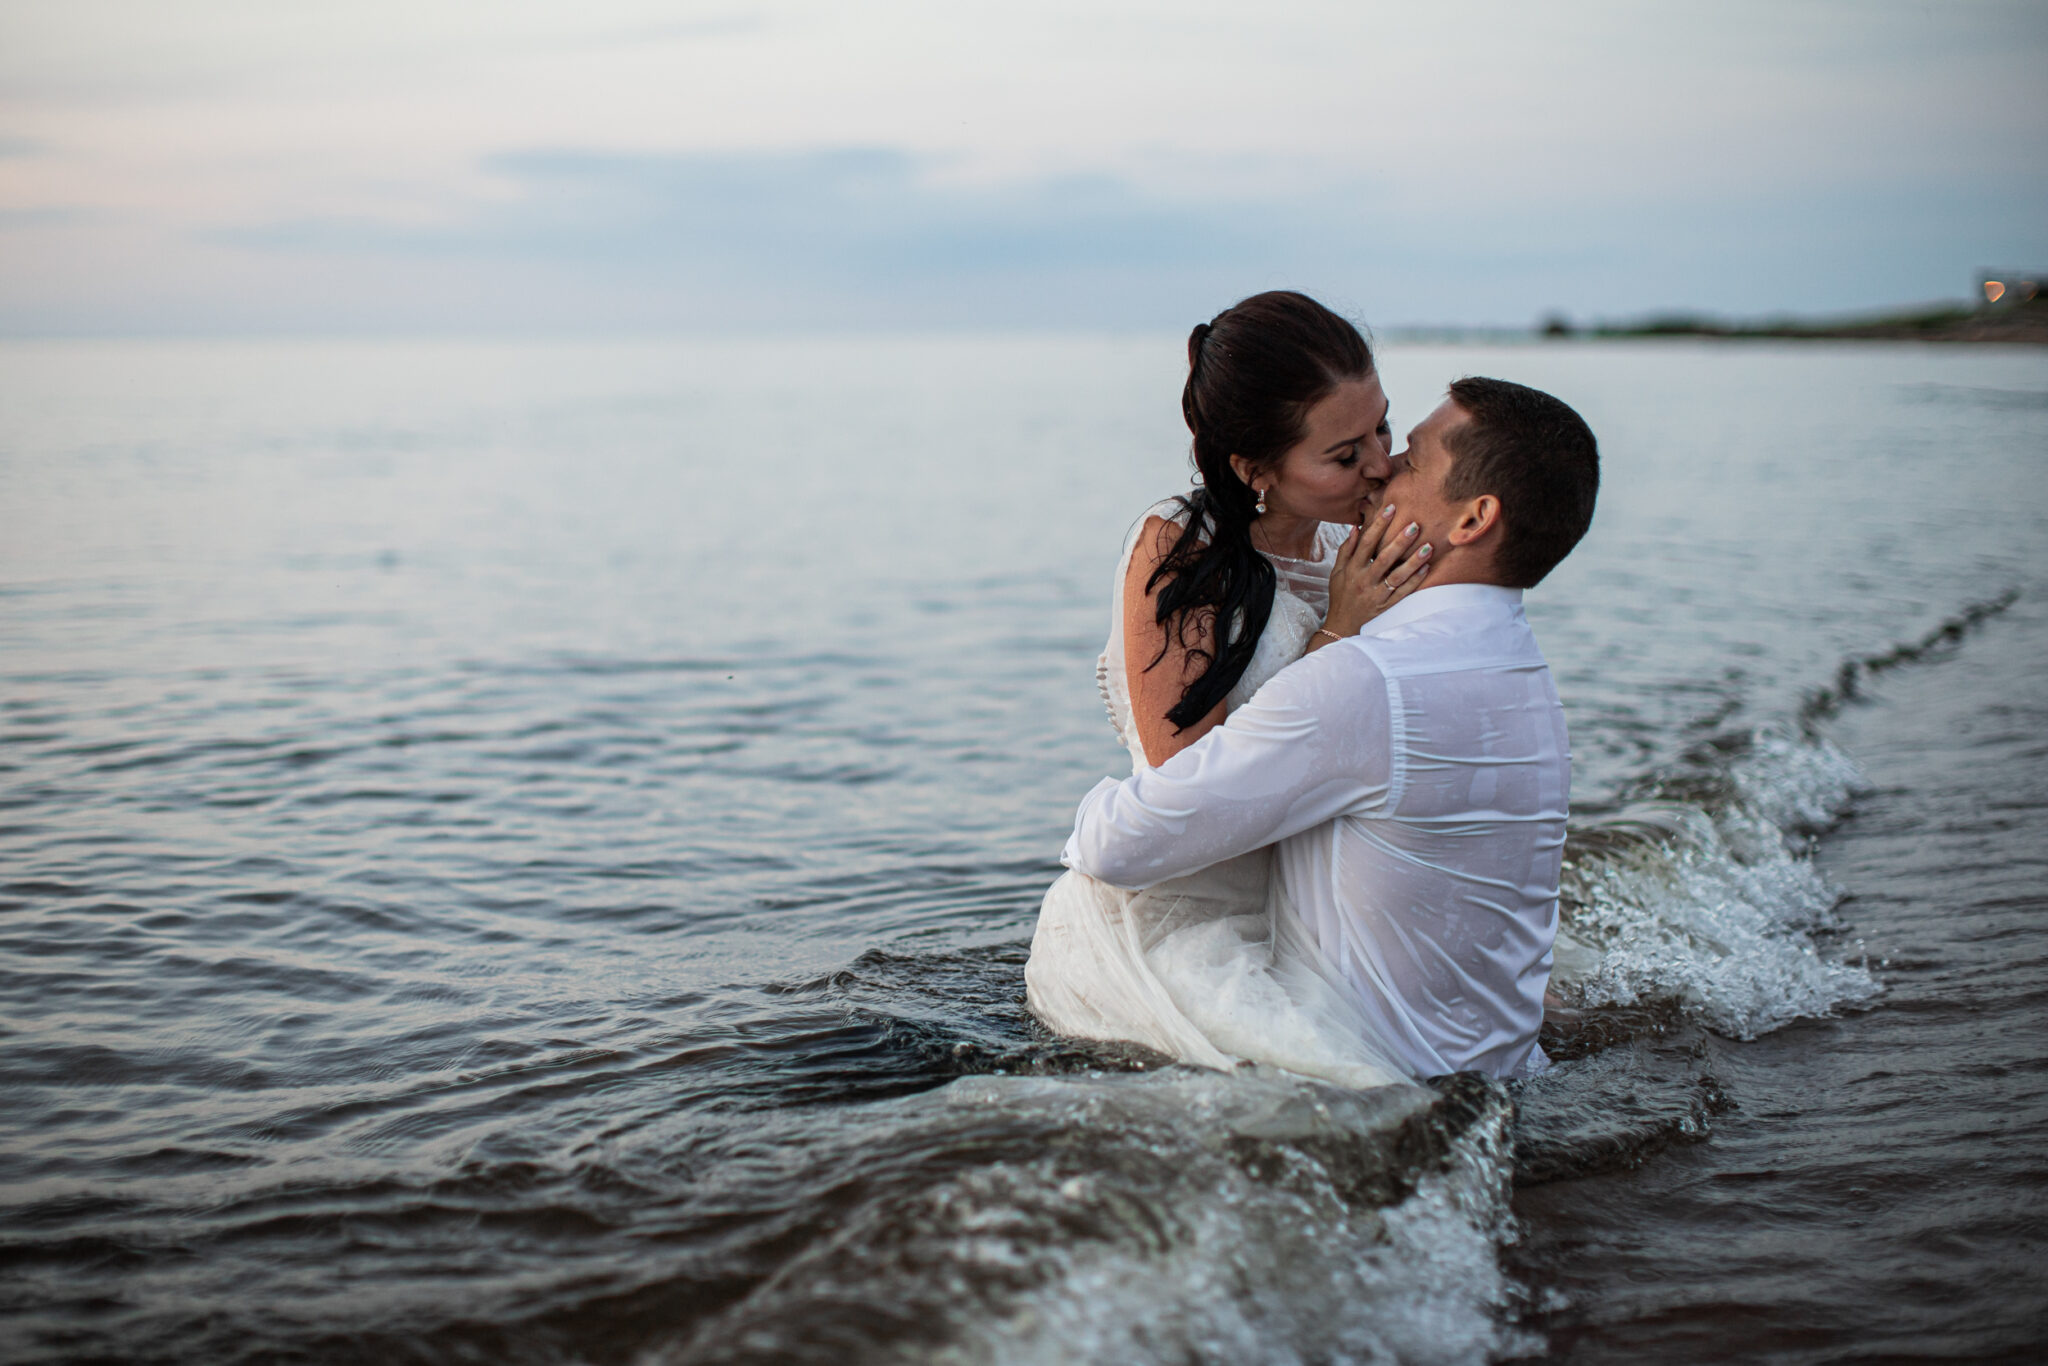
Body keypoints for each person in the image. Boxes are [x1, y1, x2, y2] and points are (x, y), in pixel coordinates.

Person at [1061, 376, 1600, 1080]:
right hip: (1502, 1067)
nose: (1383, 471)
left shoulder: (1368, 679)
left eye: (1409, 458)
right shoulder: (1527, 680)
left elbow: (1114, 846)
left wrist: (1102, 801)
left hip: (1367, 1080)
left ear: (1472, 520)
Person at [1023, 291, 1433, 1088]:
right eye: (1344, 456)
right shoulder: (1183, 554)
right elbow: (1189, 784)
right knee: (1356, 1088)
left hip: (1331, 905)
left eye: (1382, 427)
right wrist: (1339, 631)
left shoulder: (1355, 542)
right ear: (1255, 470)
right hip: (1189, 919)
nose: (1381, 465)